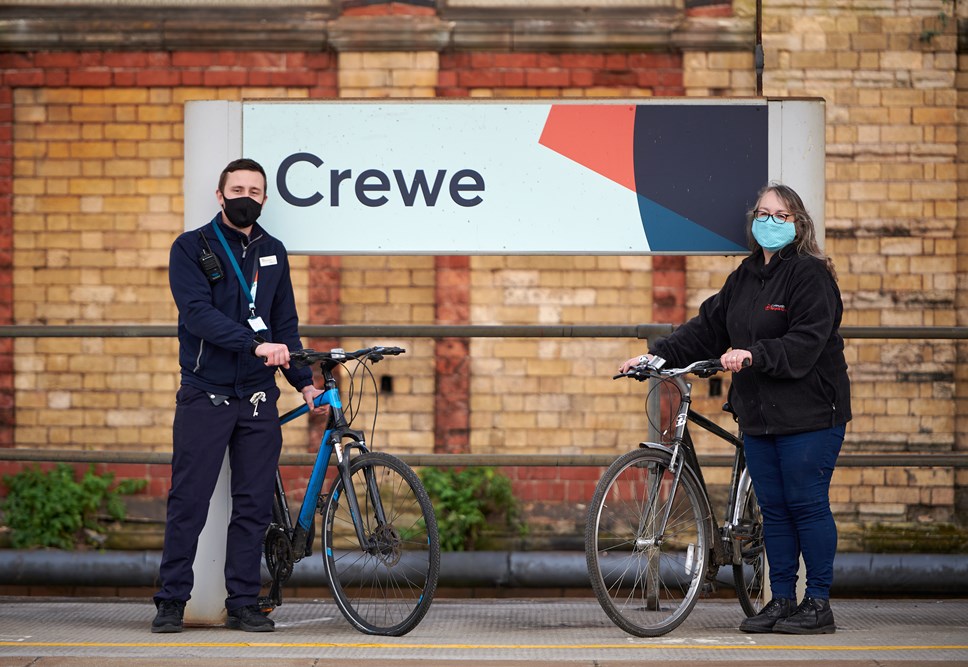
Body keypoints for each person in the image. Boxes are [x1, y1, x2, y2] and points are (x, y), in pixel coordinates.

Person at [620, 183, 851, 635]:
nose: (770, 222)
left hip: (810, 414)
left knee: (806, 504)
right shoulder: (744, 277)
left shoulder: (811, 276)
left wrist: (753, 355)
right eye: (763, 214)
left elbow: (806, 342)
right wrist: (655, 358)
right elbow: (707, 328)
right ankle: (781, 600)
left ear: (798, 224)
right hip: (760, 415)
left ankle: (818, 602)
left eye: (781, 216)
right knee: (775, 508)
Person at [152, 158, 325, 634]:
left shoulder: (273, 250)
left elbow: (285, 324)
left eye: (255, 189)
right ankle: (170, 601)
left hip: (256, 399)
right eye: (237, 188)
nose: (246, 195)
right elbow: (196, 315)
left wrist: (305, 381)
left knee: (252, 505)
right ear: (220, 194)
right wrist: (253, 343)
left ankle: (244, 602)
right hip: (204, 394)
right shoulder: (191, 247)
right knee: (189, 501)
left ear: (265, 198)